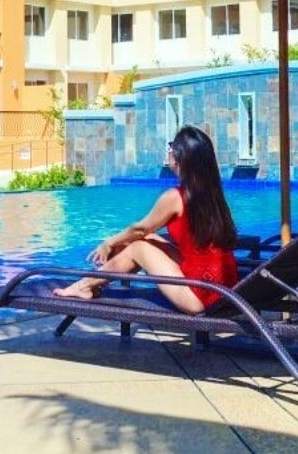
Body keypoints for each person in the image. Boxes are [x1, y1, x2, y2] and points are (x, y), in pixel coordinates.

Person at [54, 125, 239, 313]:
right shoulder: (212, 194)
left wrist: (108, 242)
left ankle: (84, 286)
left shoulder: (176, 197)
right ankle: (96, 282)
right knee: (147, 240)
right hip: (225, 289)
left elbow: (139, 229)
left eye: (171, 148)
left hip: (201, 297)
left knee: (138, 246)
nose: (168, 153)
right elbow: (145, 233)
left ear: (179, 159)